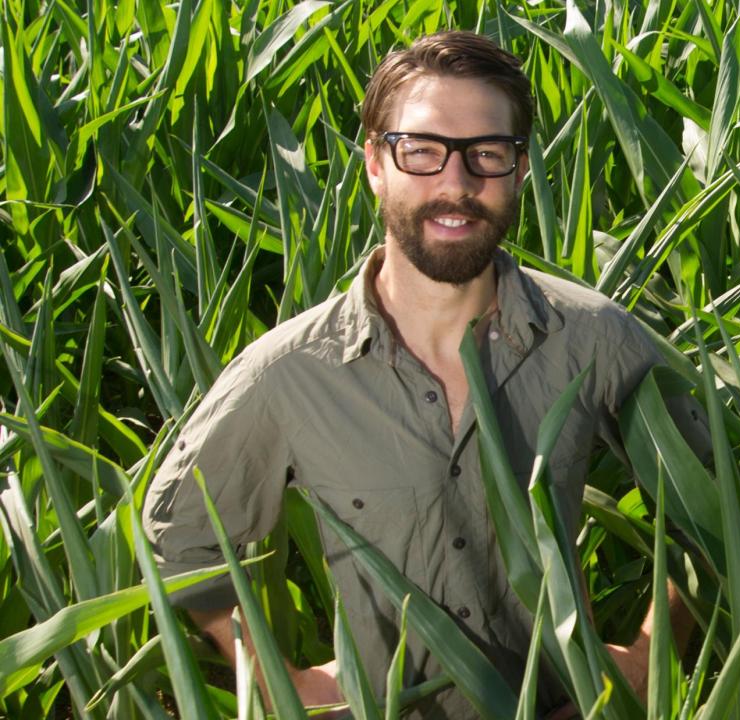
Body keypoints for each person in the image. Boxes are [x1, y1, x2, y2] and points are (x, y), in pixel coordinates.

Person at [142, 30, 705, 719]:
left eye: (487, 155)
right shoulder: (290, 375)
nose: (457, 185)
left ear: (521, 169)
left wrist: (652, 658)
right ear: (376, 163)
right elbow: (178, 537)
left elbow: (712, 504)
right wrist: (273, 679)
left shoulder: (594, 338)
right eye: (423, 150)